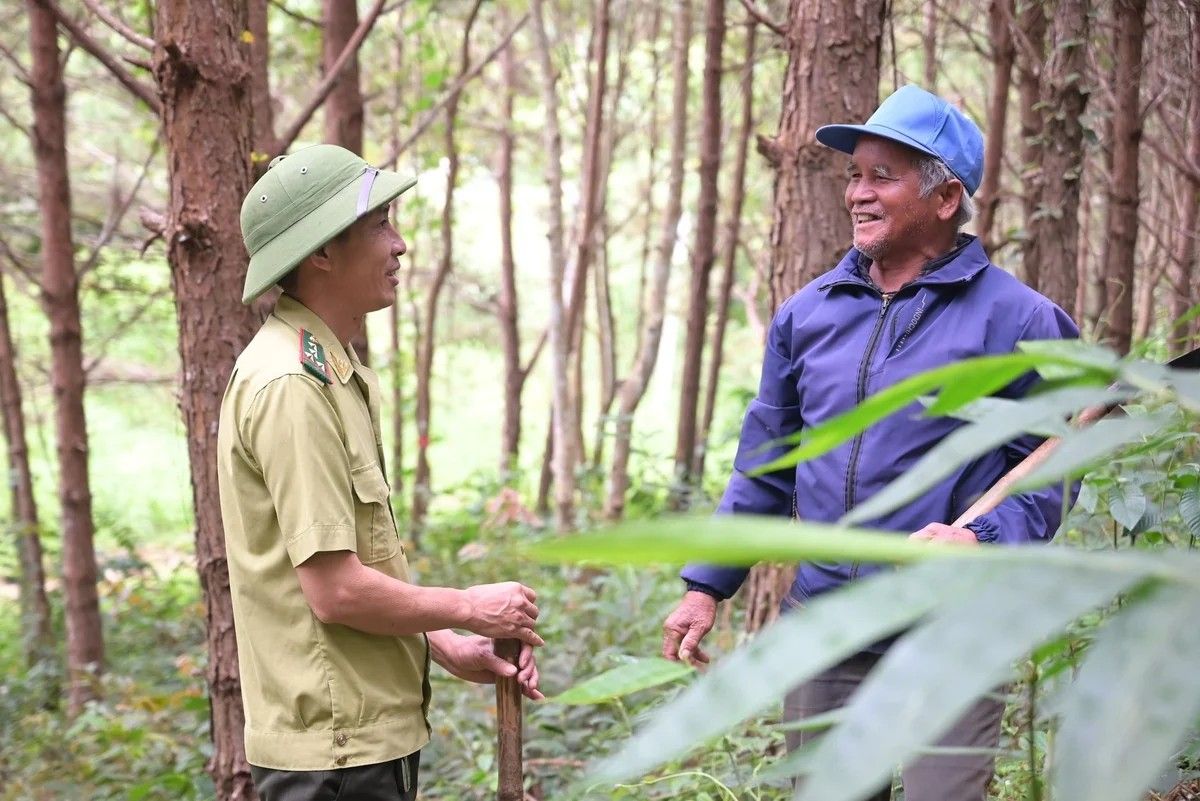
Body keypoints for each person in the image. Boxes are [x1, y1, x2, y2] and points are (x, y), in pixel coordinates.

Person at [660, 85, 1078, 800]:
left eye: (883, 176)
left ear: (945, 198)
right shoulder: (807, 316)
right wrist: (706, 585)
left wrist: (981, 536)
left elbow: (1057, 464)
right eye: (855, 175)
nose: (858, 193)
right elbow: (766, 465)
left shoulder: (1022, 322)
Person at [217, 144, 544, 801]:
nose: (399, 245)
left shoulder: (331, 371)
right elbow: (335, 591)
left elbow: (360, 562)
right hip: (336, 758)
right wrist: (472, 606)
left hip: (361, 743)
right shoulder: (292, 384)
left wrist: (447, 643)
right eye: (379, 225)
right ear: (322, 252)